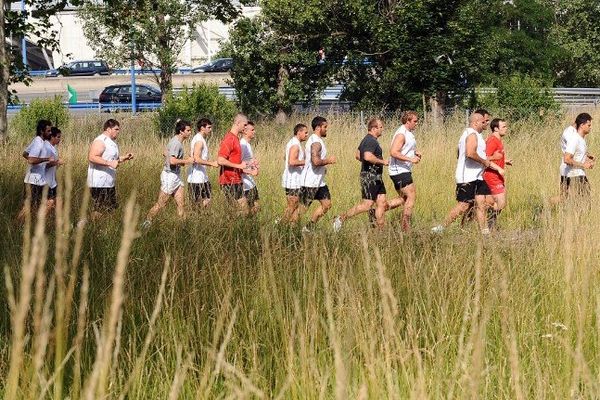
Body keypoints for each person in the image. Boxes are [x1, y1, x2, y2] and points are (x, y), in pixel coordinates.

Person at [432, 110, 504, 235]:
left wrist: (494, 165)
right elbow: (470, 153)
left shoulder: (476, 135)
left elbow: (460, 153)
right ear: (476, 122)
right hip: (467, 177)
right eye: (484, 121)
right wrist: (483, 162)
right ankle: (441, 228)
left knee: (482, 203)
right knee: (464, 205)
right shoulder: (471, 134)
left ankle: (484, 232)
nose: (486, 124)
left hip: (478, 177)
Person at [333, 118, 388, 231]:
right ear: (374, 128)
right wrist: (382, 162)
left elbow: (358, 155)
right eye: (381, 127)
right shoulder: (371, 141)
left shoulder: (366, 140)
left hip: (376, 177)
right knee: (366, 205)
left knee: (381, 202)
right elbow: (367, 156)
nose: (382, 129)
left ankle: (380, 231)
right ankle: (340, 218)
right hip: (370, 177)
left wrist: (371, 163)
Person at [143, 119, 194, 226]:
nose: (190, 133)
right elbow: (172, 161)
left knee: (181, 203)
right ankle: (146, 222)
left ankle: (183, 226)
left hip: (176, 176)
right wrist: (186, 161)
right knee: (161, 203)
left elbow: (165, 152)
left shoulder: (175, 140)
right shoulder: (176, 143)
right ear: (181, 131)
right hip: (169, 176)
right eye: (188, 131)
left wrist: (180, 162)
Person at [87, 119, 133, 220]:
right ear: (108, 129)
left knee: (110, 209)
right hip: (98, 182)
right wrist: (109, 163)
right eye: (116, 129)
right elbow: (92, 157)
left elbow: (113, 160)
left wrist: (123, 158)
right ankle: (83, 226)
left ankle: (101, 231)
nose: (118, 131)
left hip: (109, 182)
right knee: (99, 211)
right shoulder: (100, 140)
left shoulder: (111, 142)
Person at [385, 111, 421, 232]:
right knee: (411, 196)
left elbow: (404, 148)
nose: (417, 123)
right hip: (399, 170)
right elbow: (393, 152)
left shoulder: (408, 133)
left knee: (403, 199)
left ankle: (378, 211)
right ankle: (405, 227)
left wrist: (414, 153)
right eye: (415, 121)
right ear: (408, 121)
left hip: (403, 169)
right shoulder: (401, 134)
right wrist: (411, 158)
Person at [299, 116, 336, 231]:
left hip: (319, 183)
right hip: (310, 183)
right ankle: (285, 227)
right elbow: (315, 161)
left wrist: (323, 168)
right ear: (318, 127)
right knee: (301, 210)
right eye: (325, 127)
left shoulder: (316, 140)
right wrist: (328, 161)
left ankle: (308, 228)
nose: (326, 129)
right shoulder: (316, 142)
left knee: (327, 204)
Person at [17, 120, 54, 221]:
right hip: (33, 181)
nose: (50, 133)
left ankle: (38, 223)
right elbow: (31, 160)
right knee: (27, 208)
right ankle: (16, 225)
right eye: (48, 131)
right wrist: (46, 159)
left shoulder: (38, 141)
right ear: (42, 131)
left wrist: (40, 162)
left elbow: (25, 153)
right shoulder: (38, 142)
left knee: (50, 202)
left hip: (40, 180)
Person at [217, 113, 250, 212]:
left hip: (236, 179)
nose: (245, 128)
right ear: (238, 123)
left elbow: (234, 159)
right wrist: (239, 165)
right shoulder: (229, 138)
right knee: (244, 210)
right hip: (229, 180)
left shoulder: (236, 138)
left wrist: (248, 166)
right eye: (244, 125)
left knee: (234, 212)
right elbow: (220, 160)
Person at [483, 118, 512, 229]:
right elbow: (485, 158)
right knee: (501, 202)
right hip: (491, 176)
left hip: (497, 176)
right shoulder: (492, 141)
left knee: (492, 203)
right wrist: (498, 169)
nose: (506, 129)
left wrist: (504, 161)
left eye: (506, 126)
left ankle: (488, 226)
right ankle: (487, 224)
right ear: (496, 128)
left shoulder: (499, 140)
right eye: (503, 127)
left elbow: (495, 157)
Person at [281, 123, 309, 223]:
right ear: (299, 132)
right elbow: (291, 161)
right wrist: (307, 162)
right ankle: (279, 226)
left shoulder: (294, 143)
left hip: (293, 180)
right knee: (291, 207)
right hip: (292, 181)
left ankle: (290, 229)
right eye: (305, 132)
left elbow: (286, 157)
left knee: (294, 206)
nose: (307, 135)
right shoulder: (295, 145)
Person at [187, 118, 218, 208]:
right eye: (209, 127)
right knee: (198, 204)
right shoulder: (199, 141)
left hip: (202, 176)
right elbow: (196, 159)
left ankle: (203, 219)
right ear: (202, 128)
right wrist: (212, 163)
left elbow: (191, 154)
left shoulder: (198, 138)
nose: (210, 130)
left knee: (207, 200)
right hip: (196, 178)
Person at [561, 113, 594, 197]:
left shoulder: (581, 139)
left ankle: (544, 207)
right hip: (574, 174)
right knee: (584, 202)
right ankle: (544, 206)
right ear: (582, 125)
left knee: (564, 199)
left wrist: (587, 160)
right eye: (589, 125)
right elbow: (567, 159)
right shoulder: (574, 138)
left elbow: (577, 156)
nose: (590, 127)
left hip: (578, 173)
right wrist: (583, 165)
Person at [240, 121, 260, 215]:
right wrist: (251, 171)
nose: (254, 132)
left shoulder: (247, 144)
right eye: (252, 130)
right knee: (248, 211)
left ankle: (251, 227)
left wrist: (253, 164)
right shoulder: (242, 145)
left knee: (256, 208)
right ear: (245, 131)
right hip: (245, 184)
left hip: (250, 182)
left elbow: (246, 162)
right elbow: (238, 166)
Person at [44, 127, 65, 215]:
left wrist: (57, 164)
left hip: (52, 182)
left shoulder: (53, 148)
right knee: (50, 203)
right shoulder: (46, 147)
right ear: (52, 137)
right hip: (45, 181)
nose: (60, 139)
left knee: (59, 201)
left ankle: (59, 222)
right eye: (58, 137)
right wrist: (57, 162)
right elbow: (43, 165)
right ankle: (41, 221)